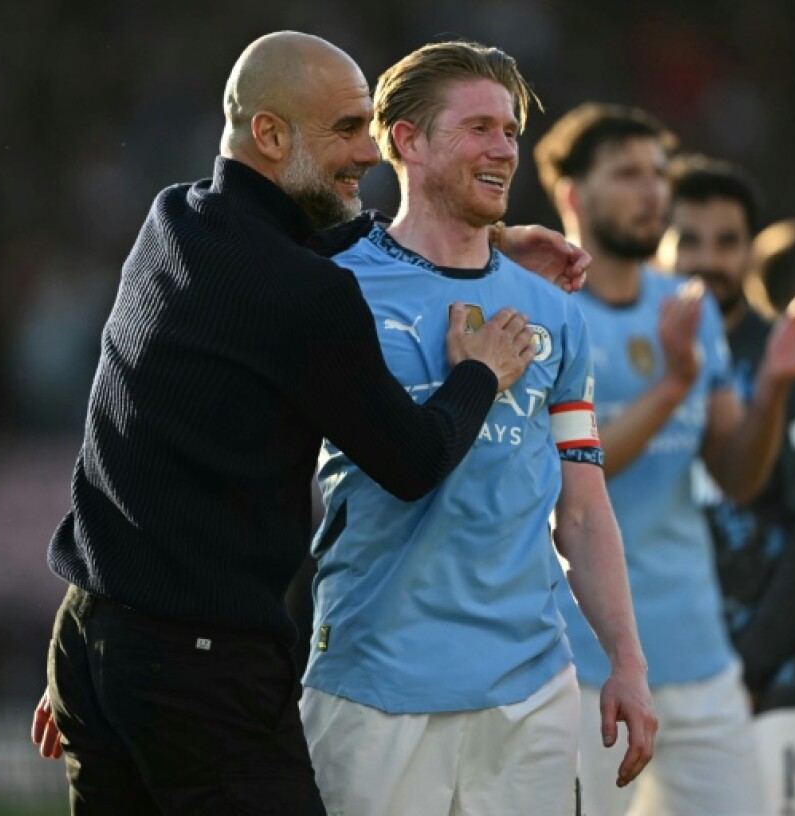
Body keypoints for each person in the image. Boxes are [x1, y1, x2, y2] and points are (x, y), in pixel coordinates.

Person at [29, 31, 591, 814]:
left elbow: (311, 233)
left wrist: (486, 239)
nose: (367, 152)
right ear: (270, 134)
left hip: (92, 637)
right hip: (202, 661)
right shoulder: (308, 296)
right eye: (346, 129)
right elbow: (413, 459)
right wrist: (479, 373)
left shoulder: (175, 220)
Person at [298, 42, 656, 816]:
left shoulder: (556, 311)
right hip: (374, 686)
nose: (503, 149)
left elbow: (585, 506)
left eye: (510, 132)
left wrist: (627, 661)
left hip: (529, 694)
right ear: (408, 141)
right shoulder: (331, 285)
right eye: (480, 128)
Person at [533, 104, 795, 815]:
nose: (652, 192)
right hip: (584, 661)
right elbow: (570, 479)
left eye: (658, 174)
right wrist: (673, 384)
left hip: (700, 656)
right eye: (627, 174)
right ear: (573, 196)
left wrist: (769, 384)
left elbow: (738, 475)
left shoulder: (689, 306)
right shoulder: (547, 311)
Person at [670, 157, 795, 816]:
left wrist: (745, 671)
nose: (708, 260)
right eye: (689, 239)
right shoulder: (638, 359)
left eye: (727, 241)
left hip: (786, 689)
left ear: (751, 251)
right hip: (673, 688)